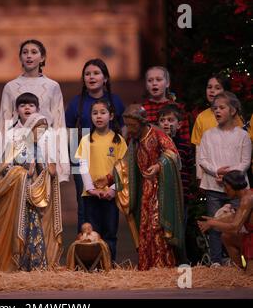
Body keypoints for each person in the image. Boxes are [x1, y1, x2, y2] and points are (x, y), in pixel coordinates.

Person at [0, 93, 62, 272]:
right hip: (17, 190)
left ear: (38, 110)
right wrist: (22, 171)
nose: (27, 108)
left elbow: (50, 167)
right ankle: (14, 263)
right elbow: (5, 165)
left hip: (36, 189)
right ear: (16, 110)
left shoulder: (46, 134)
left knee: (35, 226)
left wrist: (41, 168)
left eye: (31, 105)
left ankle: (35, 264)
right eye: (23, 105)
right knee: (18, 225)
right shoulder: (12, 134)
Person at [118, 104, 186, 271]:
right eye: (127, 125)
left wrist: (158, 166)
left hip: (160, 190)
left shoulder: (156, 134)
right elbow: (125, 164)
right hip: (144, 192)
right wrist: (107, 178)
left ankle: (164, 265)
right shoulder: (134, 141)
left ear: (142, 123)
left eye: (132, 126)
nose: (130, 129)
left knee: (158, 228)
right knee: (145, 229)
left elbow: (173, 154)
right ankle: (148, 266)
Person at [65, 58, 125, 233]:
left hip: (108, 157)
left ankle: (107, 249)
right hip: (82, 159)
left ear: (105, 78)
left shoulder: (115, 100)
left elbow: (124, 128)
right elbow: (69, 131)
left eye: (96, 73)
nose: (91, 77)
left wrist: (120, 156)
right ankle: (85, 249)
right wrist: (75, 160)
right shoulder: (76, 102)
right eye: (87, 74)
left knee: (107, 204)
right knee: (84, 205)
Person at [0, 39, 69, 183]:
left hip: (46, 148)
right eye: (25, 52)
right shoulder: (10, 87)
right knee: (20, 200)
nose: (29, 56)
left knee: (45, 201)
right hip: (18, 150)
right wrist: (0, 163)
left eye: (34, 52)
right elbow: (4, 125)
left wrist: (62, 165)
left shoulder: (52, 86)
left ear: (42, 58)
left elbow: (59, 124)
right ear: (20, 58)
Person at [198, 91, 251, 266]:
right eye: (215, 108)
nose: (217, 111)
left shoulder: (242, 136)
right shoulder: (208, 135)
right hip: (214, 187)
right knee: (215, 223)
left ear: (233, 111)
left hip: (236, 189)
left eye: (222, 107)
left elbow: (245, 162)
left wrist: (229, 177)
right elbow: (203, 160)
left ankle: (242, 261)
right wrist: (216, 172)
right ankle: (216, 261)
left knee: (240, 225)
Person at [75, 99, 127, 261]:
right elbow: (82, 166)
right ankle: (94, 266)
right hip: (91, 196)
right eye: (95, 113)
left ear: (111, 116)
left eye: (103, 113)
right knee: (92, 234)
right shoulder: (86, 140)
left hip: (110, 196)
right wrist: (91, 188)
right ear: (90, 116)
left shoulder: (118, 140)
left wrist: (112, 189)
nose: (99, 116)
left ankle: (109, 266)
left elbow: (122, 168)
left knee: (110, 233)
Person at [198, 170, 253, 275]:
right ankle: (241, 267)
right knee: (226, 236)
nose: (224, 190)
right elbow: (235, 217)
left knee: (250, 277)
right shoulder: (245, 196)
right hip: (249, 238)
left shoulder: (248, 198)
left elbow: (235, 227)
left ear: (232, 185)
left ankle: (247, 270)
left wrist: (212, 223)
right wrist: (214, 220)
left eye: (225, 186)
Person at [191, 74, 244, 182]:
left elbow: (240, 146)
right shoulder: (202, 117)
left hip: (232, 174)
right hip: (209, 173)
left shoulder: (234, 116)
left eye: (217, 88)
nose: (212, 91)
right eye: (209, 87)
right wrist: (199, 176)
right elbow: (199, 149)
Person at [157, 104, 194, 211]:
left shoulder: (184, 146)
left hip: (180, 194)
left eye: (170, 120)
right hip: (161, 195)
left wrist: (186, 192)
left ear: (179, 124)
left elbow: (189, 169)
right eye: (162, 120)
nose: (166, 123)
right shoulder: (155, 146)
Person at [142, 66, 190, 142]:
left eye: (158, 80)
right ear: (146, 85)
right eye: (150, 80)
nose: (154, 83)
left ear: (167, 83)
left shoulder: (178, 108)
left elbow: (185, 139)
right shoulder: (141, 109)